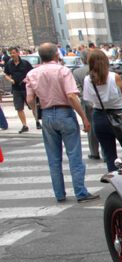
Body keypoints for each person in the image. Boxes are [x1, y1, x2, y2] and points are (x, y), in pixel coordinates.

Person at [24, 43, 97, 203]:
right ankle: (80, 192)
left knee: (53, 158)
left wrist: (36, 115)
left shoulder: (32, 73)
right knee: (74, 155)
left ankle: (59, 193)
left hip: (47, 114)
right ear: (56, 55)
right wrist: (84, 117)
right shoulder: (63, 71)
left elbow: (29, 99)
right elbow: (71, 96)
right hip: (64, 112)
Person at [83, 50, 122, 173]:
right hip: (119, 114)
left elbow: (88, 100)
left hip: (99, 115)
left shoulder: (87, 80)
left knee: (109, 154)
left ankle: (115, 182)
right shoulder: (114, 77)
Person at [72, 50, 101, 160]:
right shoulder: (98, 69)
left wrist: (85, 98)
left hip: (86, 103)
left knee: (91, 127)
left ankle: (94, 152)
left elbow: (77, 89)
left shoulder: (76, 72)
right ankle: (105, 153)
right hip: (100, 101)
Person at [4, 47, 38, 133]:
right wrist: (10, 80)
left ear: (18, 53)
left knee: (33, 106)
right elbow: (6, 74)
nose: (12, 54)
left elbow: (32, 73)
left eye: (13, 53)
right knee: (19, 108)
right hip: (16, 89)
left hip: (26, 88)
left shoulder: (25, 63)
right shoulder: (9, 64)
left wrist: (27, 79)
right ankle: (24, 125)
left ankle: (37, 121)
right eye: (10, 53)